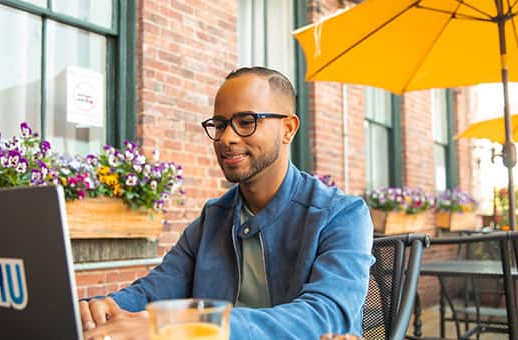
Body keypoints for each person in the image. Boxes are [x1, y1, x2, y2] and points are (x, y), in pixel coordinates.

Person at [80, 67, 374, 339]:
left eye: (246, 122)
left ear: (288, 129)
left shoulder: (341, 214)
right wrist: (97, 308)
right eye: (219, 125)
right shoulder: (213, 218)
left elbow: (327, 316)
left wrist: (183, 327)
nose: (226, 138)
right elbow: (155, 291)